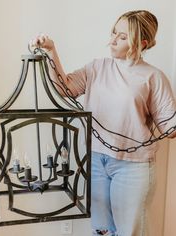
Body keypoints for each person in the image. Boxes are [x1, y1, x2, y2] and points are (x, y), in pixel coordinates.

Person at [30, 10, 176, 236]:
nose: (112, 40)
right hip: (96, 160)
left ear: (141, 42)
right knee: (102, 230)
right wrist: (51, 49)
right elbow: (64, 87)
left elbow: (170, 129)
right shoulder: (97, 67)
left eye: (122, 37)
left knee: (130, 231)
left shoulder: (153, 77)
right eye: (113, 33)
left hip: (133, 166)